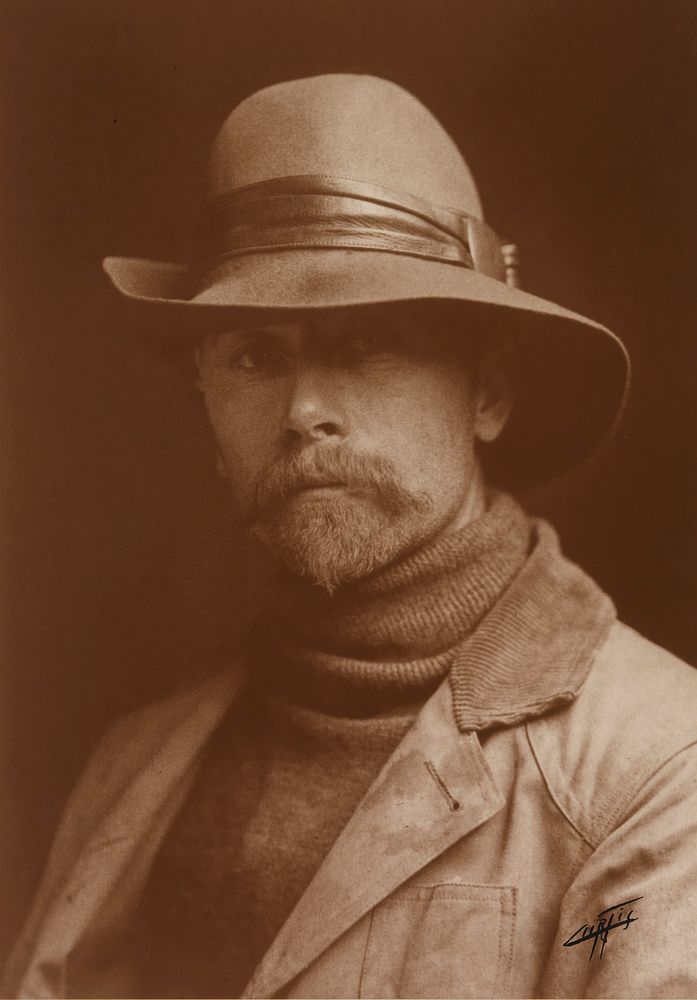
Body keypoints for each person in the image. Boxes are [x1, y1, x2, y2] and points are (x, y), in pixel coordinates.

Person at [4, 74, 697, 1000]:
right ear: (207, 413)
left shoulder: (657, 766)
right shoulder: (137, 761)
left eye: (367, 345)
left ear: (485, 393)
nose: (304, 413)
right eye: (256, 358)